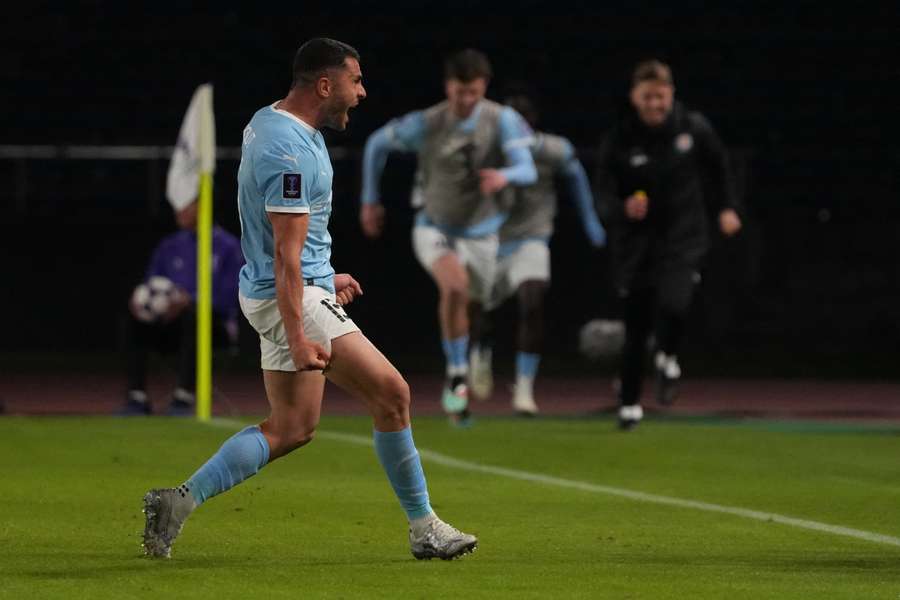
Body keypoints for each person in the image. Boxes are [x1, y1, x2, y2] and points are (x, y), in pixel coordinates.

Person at [141, 38, 477, 561]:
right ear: (325, 85)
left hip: (282, 292)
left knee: (292, 428)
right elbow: (285, 256)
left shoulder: (273, 121)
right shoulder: (288, 151)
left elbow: (286, 244)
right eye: (356, 80)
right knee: (393, 394)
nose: (362, 92)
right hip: (287, 298)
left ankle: (178, 502)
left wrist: (324, 276)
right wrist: (299, 333)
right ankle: (424, 528)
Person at [359, 49, 536, 424]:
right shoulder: (429, 122)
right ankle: (457, 374)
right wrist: (370, 200)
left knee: (475, 305)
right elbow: (377, 143)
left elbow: (527, 169)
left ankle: (475, 348)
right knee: (454, 287)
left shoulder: (502, 120)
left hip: (483, 233)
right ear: (448, 86)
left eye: (473, 92)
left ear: (483, 87)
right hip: (434, 227)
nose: (466, 100)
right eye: (460, 92)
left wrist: (505, 176)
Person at [593, 59, 743, 430]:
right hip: (636, 246)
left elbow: (720, 166)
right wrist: (624, 208)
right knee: (637, 325)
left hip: (683, 238)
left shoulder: (692, 128)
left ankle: (669, 357)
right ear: (634, 97)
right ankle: (629, 404)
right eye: (647, 97)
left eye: (660, 96)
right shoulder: (620, 138)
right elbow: (603, 197)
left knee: (675, 303)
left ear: (671, 94)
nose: (655, 104)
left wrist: (727, 206)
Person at [467, 92, 607, 415]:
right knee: (477, 309)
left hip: (531, 238)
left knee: (533, 300)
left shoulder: (548, 148)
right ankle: (481, 350)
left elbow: (574, 172)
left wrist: (591, 221)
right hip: (490, 241)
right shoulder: (484, 148)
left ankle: (525, 389)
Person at [118, 198, 243, 416]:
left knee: (193, 316)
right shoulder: (169, 245)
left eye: (186, 205)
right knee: (134, 319)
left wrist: (189, 300)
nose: (179, 211)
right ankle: (136, 396)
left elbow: (232, 295)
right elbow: (151, 285)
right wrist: (142, 302)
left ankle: (183, 396)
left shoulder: (229, 247)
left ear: (202, 207)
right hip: (170, 327)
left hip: (214, 329)